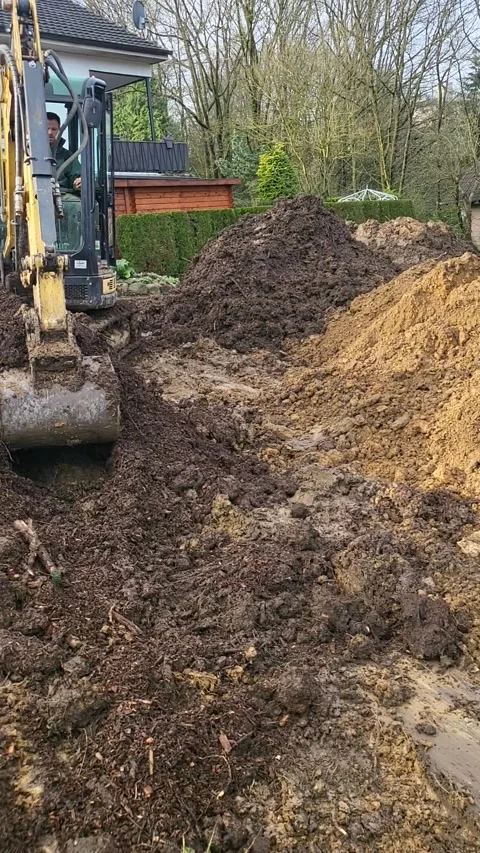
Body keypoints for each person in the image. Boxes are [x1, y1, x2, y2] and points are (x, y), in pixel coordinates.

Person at [47, 112, 81, 194]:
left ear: (59, 130)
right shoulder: (28, 154)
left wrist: (79, 182)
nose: (50, 133)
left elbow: (77, 176)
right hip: (34, 195)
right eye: (46, 128)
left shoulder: (67, 156)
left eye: (54, 129)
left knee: (78, 206)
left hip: (62, 196)